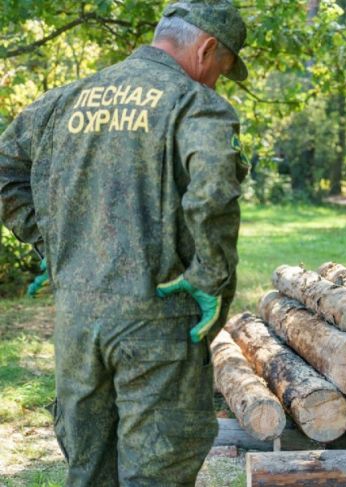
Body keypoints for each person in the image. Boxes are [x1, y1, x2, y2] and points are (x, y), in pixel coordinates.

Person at [0, 1, 249, 484]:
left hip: (78, 324)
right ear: (207, 48)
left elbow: (6, 172)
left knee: (89, 468)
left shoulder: (66, 100)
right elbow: (214, 190)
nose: (217, 79)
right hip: (156, 322)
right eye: (222, 67)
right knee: (158, 467)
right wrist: (208, 279)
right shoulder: (194, 103)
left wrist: (57, 245)